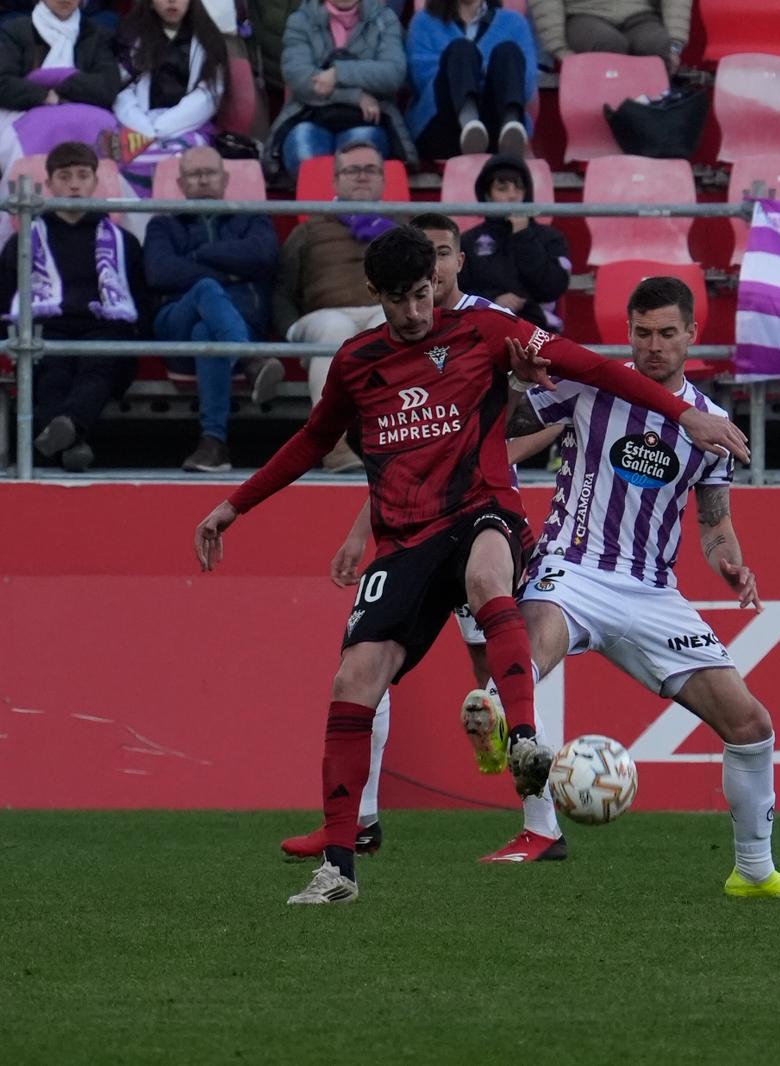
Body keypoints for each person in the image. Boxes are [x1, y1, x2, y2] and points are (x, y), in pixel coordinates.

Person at [193, 224, 750, 904]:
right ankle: (340, 863)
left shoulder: (485, 330)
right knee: (354, 678)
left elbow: (594, 367)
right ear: (376, 295)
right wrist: (235, 505)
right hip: (407, 540)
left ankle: (522, 742)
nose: (416, 312)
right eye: (400, 300)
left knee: (491, 576)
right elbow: (314, 440)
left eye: (425, 295)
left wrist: (682, 416)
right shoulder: (357, 361)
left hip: (485, 512)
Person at [452, 274, 780, 897]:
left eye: (668, 334)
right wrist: (514, 389)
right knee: (529, 650)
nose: (655, 346)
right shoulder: (584, 385)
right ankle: (498, 722)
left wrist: (731, 562)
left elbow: (714, 523)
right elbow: (507, 431)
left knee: (751, 724)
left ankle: (754, 872)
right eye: (643, 333)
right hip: (572, 569)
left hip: (653, 592)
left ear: (691, 336)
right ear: (628, 333)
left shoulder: (711, 423)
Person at [278, 212, 560, 862]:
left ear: (456, 262)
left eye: (439, 256)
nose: (426, 274)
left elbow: (553, 415)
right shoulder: (397, 343)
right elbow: (401, 451)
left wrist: (494, 444)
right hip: (422, 523)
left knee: (499, 662)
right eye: (418, 263)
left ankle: (541, 821)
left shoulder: (493, 328)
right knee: (366, 666)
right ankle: (363, 817)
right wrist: (365, 526)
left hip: (485, 514)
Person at [0, 140, 144, 472]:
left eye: (83, 175)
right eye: (65, 176)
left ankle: (68, 431)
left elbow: (139, 296)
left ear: (96, 181)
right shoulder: (23, 242)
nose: (74, 184)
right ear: (49, 184)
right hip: (47, 333)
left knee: (98, 365)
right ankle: (73, 441)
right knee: (52, 376)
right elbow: (7, 294)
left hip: (106, 333)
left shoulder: (124, 241)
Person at [144, 146, 281, 473]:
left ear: (225, 178)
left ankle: (213, 444)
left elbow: (263, 257)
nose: (203, 179)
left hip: (239, 321)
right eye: (194, 174)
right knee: (206, 290)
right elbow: (159, 272)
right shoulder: (163, 224)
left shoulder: (253, 218)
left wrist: (198, 255)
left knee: (207, 331)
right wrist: (230, 269)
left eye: (210, 172)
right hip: (175, 324)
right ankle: (249, 359)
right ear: (180, 184)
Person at [274, 139, 393, 472]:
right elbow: (283, 290)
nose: (361, 177)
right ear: (336, 181)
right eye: (352, 170)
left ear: (383, 180)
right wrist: (290, 330)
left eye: (370, 170)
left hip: (381, 312)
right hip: (323, 318)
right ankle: (333, 446)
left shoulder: (404, 227)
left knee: (388, 326)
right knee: (334, 329)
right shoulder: (309, 230)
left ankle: (387, 443)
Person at [265, 0, 415, 182]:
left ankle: (351, 211)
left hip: (369, 118)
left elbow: (393, 74)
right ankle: (319, 210)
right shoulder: (301, 20)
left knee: (359, 158)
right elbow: (301, 79)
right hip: (309, 114)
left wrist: (338, 73)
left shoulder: (385, 18)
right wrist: (355, 96)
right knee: (305, 148)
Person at [102, 0, 227, 188]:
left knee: (181, 156)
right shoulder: (131, 38)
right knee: (119, 152)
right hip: (137, 122)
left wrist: (161, 127)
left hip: (187, 124)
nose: (172, 2)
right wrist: (143, 126)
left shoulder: (209, 39)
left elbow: (208, 95)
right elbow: (123, 89)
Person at [405, 0, 538, 161]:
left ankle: (511, 127)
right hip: (443, 124)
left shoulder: (514, 22)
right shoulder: (423, 22)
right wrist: (471, 68)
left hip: (495, 124)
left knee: (508, 52)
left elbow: (526, 81)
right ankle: (469, 123)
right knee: (461, 50)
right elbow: (421, 76)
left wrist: (475, 69)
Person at [0, 0, 120, 175]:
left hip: (83, 113)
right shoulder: (14, 31)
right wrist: (43, 96)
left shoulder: (96, 34)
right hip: (23, 111)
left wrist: (59, 84)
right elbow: (3, 83)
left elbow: (106, 87)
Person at [459, 152, 571, 332]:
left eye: (518, 188)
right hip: (482, 329)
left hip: (538, 330)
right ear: (487, 195)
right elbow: (456, 292)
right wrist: (493, 301)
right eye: (502, 189)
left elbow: (553, 288)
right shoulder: (467, 241)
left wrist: (523, 235)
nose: (512, 196)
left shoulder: (550, 238)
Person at [530, 0, 690, 73]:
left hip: (640, 15)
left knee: (658, 46)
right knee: (609, 46)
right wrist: (559, 49)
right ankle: (612, 123)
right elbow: (545, 4)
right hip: (582, 15)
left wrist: (675, 44)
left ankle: (654, 121)